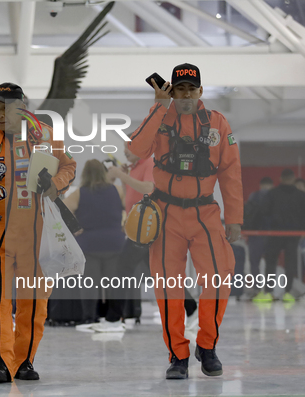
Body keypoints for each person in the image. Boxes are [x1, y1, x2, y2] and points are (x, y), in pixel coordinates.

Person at [0, 83, 76, 383]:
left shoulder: (45, 136)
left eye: (5, 108)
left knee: (33, 302)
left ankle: (24, 361)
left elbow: (69, 166)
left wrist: (56, 183)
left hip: (37, 234)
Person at [128, 63, 243, 379]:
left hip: (205, 214)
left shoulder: (217, 124)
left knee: (218, 280)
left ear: (201, 91)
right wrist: (158, 107)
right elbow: (135, 149)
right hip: (166, 215)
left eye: (192, 89)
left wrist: (234, 218)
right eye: (180, 89)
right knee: (168, 287)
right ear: (172, 91)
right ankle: (177, 355)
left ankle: (207, 346)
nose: (186, 95)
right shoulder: (160, 117)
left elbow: (231, 173)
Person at [107, 148, 199, 328]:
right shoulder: (133, 168)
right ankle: (192, 308)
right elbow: (131, 197)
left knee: (122, 269)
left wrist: (121, 175)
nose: (125, 153)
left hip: (146, 228)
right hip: (139, 228)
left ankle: (112, 320)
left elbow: (149, 188)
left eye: (128, 149)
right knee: (161, 274)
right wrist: (123, 177)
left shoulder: (150, 163)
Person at [63, 159, 126, 331]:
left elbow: (62, 209)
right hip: (115, 243)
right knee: (114, 283)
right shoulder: (117, 190)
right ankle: (114, 320)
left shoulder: (79, 193)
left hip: (89, 244)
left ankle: (89, 319)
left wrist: (76, 228)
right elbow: (130, 209)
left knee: (89, 284)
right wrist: (122, 227)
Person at [260, 169, 305, 301]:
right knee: (290, 262)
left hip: (275, 233)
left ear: (280, 178)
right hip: (293, 234)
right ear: (293, 179)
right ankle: (288, 292)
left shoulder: (272, 194)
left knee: (271, 262)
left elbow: (264, 212)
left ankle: (269, 292)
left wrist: (268, 227)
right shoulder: (300, 195)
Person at [242, 176, 273, 301]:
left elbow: (247, 213)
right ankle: (269, 290)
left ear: (260, 185)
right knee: (271, 263)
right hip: (271, 234)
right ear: (271, 185)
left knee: (255, 263)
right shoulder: (274, 196)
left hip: (255, 234)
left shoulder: (253, 196)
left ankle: (257, 289)